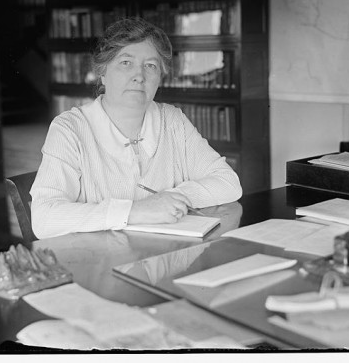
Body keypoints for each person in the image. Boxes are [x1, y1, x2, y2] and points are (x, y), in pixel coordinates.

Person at [30, 17, 242, 239]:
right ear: (102, 73)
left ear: (160, 77)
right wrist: (136, 211)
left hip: (167, 253)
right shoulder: (70, 129)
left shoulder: (172, 120)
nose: (139, 76)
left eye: (150, 66)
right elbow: (44, 218)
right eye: (126, 63)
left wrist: (170, 199)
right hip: (100, 258)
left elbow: (228, 182)